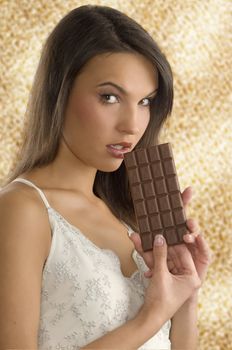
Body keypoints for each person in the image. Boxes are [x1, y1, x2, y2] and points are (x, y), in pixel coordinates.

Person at [0, 5, 212, 350]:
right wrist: (152, 315)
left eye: (145, 101)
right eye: (110, 97)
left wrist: (184, 294)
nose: (132, 125)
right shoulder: (21, 209)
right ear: (60, 92)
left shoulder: (127, 215)